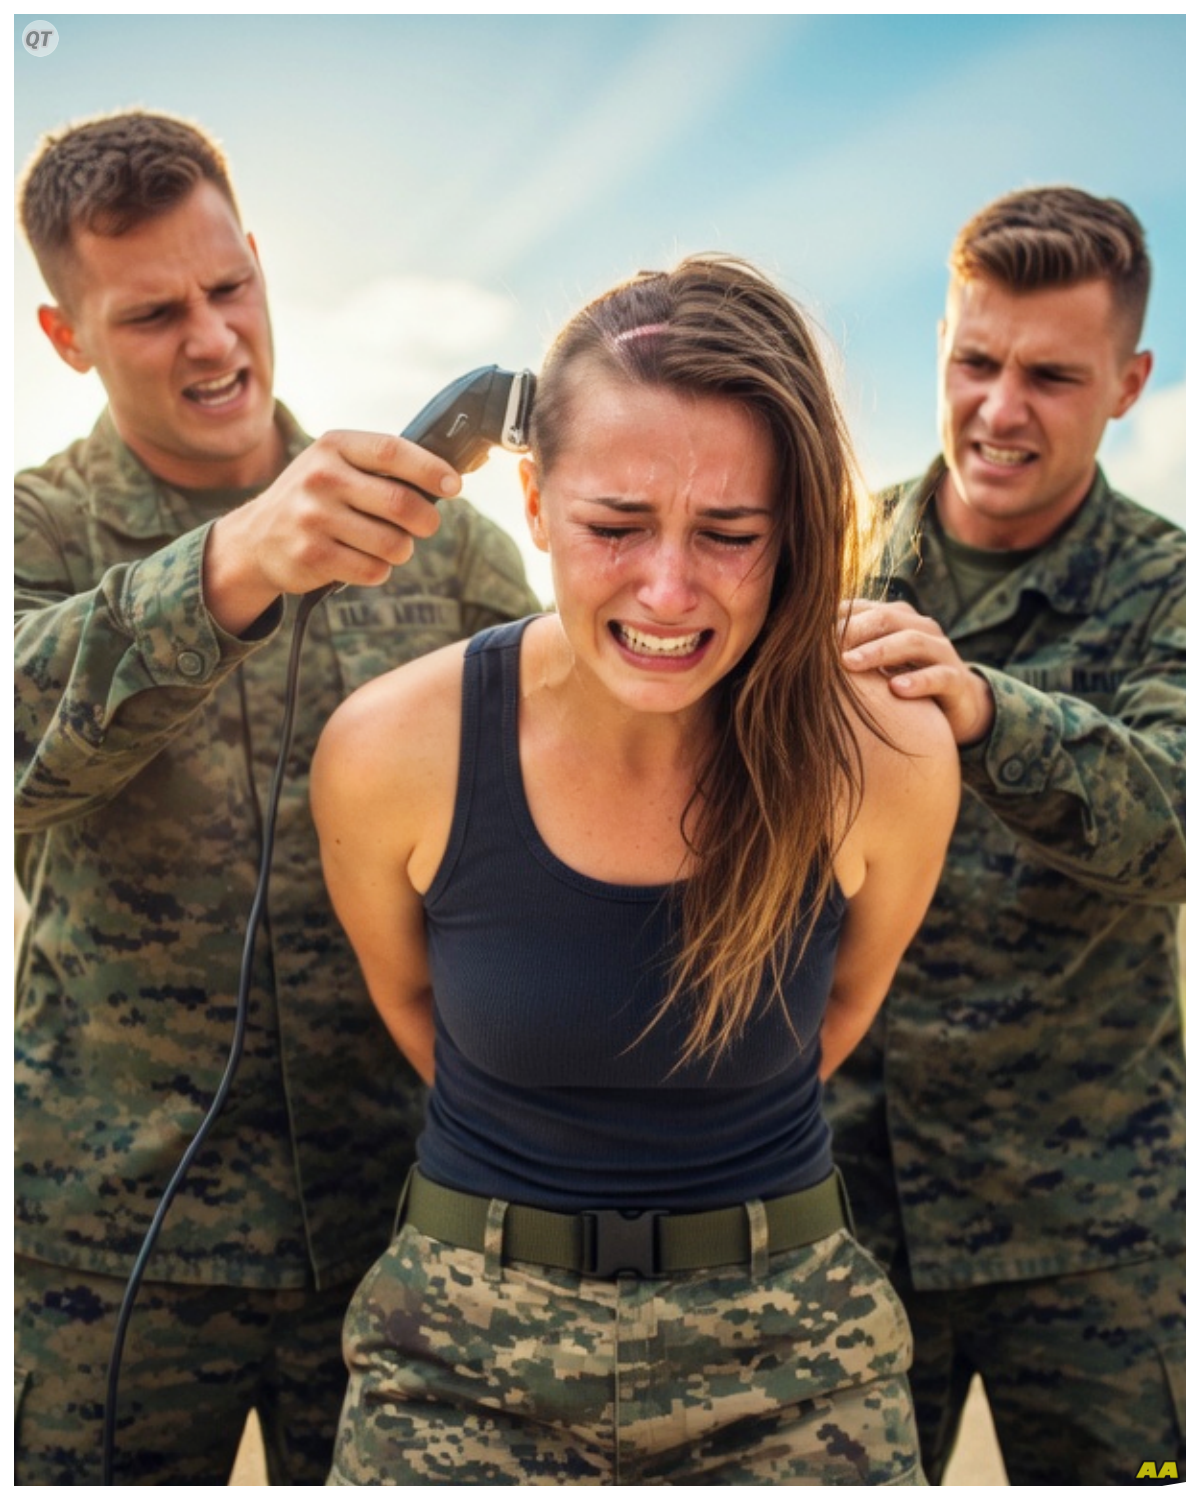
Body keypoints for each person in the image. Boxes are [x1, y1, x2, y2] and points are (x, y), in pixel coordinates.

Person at [310, 254, 961, 1485]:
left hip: (799, 1361)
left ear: (797, 533)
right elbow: (417, 1012)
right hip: (458, 1362)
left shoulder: (890, 753)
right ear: (534, 498)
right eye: (616, 526)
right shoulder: (390, 749)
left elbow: (839, 1012)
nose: (669, 590)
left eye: (731, 535)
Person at [14, 109, 542, 1486]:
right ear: (65, 337)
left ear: (259, 257)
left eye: (228, 287)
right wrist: (227, 566)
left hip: (399, 1226)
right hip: (109, 1246)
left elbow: (593, 744)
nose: (212, 339)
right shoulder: (38, 534)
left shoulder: (435, 529)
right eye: (150, 315)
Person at [827, 187, 1186, 1485]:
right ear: (939, 344)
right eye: (975, 362)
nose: (999, 409)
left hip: (1088, 1234)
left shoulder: (1171, 590)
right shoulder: (834, 554)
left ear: (1131, 381)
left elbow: (1180, 826)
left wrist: (983, 710)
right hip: (850, 1217)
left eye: (1050, 375)